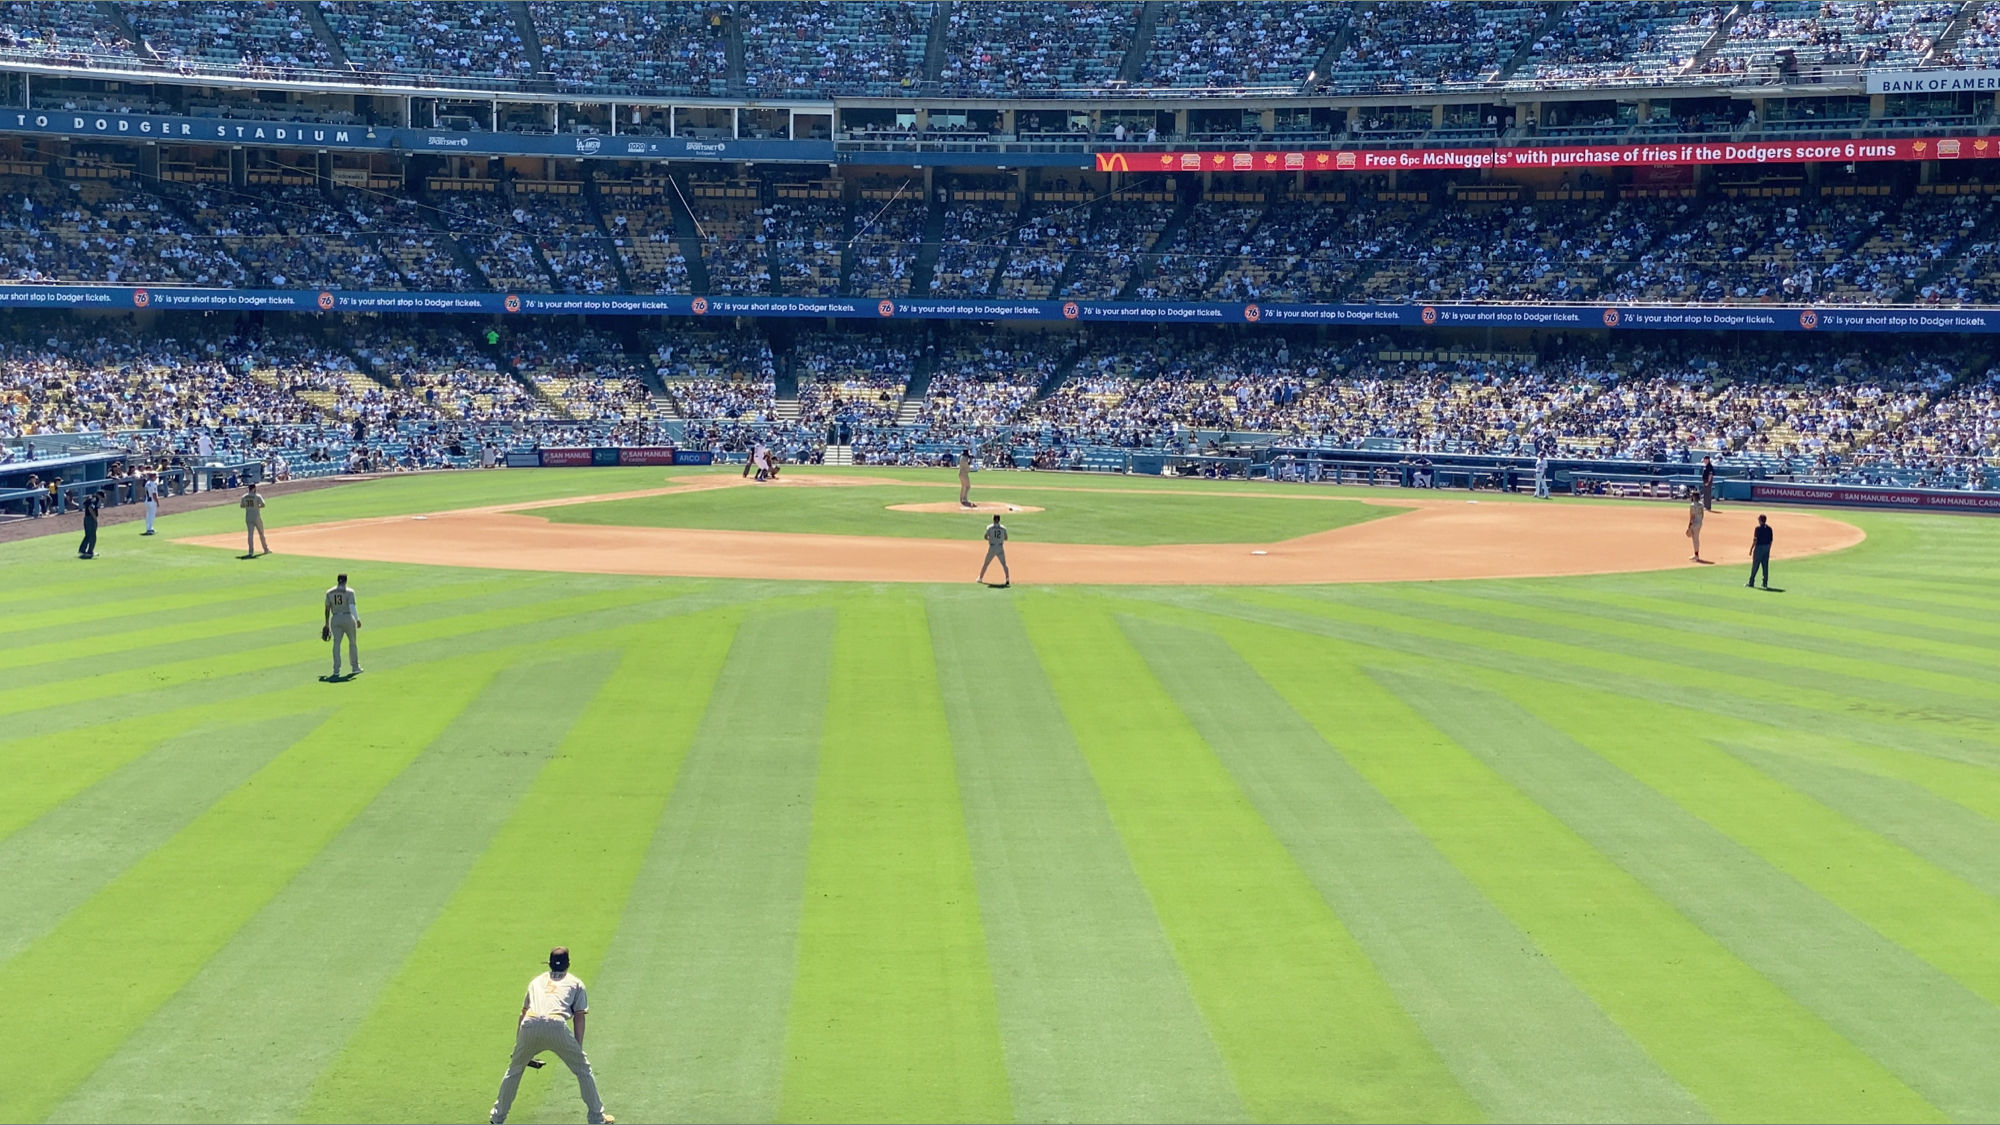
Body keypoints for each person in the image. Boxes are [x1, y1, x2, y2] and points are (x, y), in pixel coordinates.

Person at [489, 947, 612, 1125]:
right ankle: (597, 1118)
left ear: (549, 963)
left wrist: (520, 1048)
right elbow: (579, 1016)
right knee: (583, 1070)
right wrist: (578, 1047)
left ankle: (497, 1118)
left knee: (514, 1070)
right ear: (568, 964)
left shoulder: (536, 981)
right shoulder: (576, 983)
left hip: (529, 1024)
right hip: (556, 1026)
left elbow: (523, 1013)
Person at [323, 573, 362, 678]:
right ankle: (355, 667)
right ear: (345, 581)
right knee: (352, 643)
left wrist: (326, 624)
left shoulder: (329, 592)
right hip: (348, 618)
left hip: (335, 618)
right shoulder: (350, 592)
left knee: (336, 644)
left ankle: (336, 670)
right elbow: (352, 606)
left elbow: (327, 609)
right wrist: (357, 620)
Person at [978, 513, 1010, 587]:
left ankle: (980, 578)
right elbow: (1006, 538)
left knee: (986, 563)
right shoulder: (1003, 528)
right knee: (1004, 564)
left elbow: (986, 537)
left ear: (993, 519)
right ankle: (1007, 579)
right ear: (999, 520)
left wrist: (991, 539)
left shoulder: (989, 527)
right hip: (1000, 547)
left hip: (992, 547)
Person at [240, 482, 270, 558]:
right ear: (254, 488)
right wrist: (257, 506)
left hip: (248, 516)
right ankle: (265, 549)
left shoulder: (244, 496)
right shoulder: (257, 496)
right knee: (261, 533)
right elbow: (263, 504)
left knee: (250, 535)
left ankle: (250, 552)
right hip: (256, 516)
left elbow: (241, 506)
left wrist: (248, 507)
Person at [1747, 513, 1773, 589]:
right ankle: (1765, 583)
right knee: (1765, 566)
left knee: (1755, 565)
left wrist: (1751, 549)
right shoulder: (1769, 528)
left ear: (1761, 520)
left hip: (1759, 548)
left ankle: (1751, 582)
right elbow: (1771, 541)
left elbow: (1755, 540)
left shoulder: (1757, 529)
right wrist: (1768, 549)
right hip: (1767, 548)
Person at [78, 491, 101, 559]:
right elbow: (90, 508)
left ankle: (82, 550)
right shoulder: (95, 499)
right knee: (93, 536)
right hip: (90, 519)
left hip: (86, 518)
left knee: (88, 535)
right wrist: (95, 518)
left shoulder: (90, 497)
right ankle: (90, 552)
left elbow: (84, 504)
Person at [1686, 493, 1705, 562]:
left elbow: (1692, 517)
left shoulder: (1692, 505)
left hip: (1694, 523)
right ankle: (1696, 554)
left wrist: (1689, 526)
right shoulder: (1701, 504)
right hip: (1699, 523)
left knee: (1695, 539)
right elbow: (1702, 515)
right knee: (1696, 538)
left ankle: (1696, 555)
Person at [141, 471, 160, 535]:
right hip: (152, 501)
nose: (156, 477)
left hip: (147, 500)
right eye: (156, 476)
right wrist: (157, 502)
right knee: (152, 515)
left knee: (148, 515)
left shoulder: (147, 483)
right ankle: (150, 529)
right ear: (153, 477)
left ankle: (149, 528)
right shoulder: (152, 483)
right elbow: (154, 494)